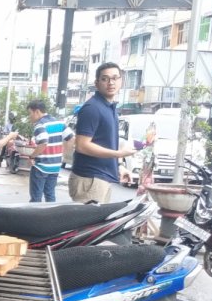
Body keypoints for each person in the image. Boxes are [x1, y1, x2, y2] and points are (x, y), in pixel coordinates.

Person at [69, 62, 135, 203]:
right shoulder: (92, 108)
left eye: (115, 78)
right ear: (97, 83)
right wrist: (119, 154)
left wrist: (119, 166)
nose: (111, 83)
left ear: (121, 81)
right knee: (88, 224)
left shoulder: (110, 107)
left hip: (101, 179)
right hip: (90, 179)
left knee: (99, 224)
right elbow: (82, 145)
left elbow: (106, 142)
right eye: (105, 79)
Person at [26, 100, 69, 203]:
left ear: (37, 112)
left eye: (30, 113)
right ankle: (51, 217)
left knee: (36, 197)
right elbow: (71, 138)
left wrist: (32, 157)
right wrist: (63, 155)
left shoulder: (40, 125)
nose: (30, 116)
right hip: (55, 166)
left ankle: (35, 218)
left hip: (41, 167)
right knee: (50, 195)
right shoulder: (59, 123)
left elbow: (43, 143)